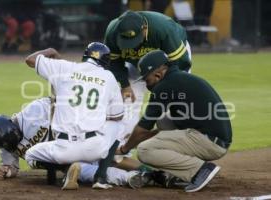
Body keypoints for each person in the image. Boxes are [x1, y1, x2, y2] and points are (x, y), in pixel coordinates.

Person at [116, 50, 232, 192]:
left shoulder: (163, 87)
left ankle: (200, 170)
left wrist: (124, 148)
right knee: (164, 122)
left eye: (147, 79)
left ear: (158, 75)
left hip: (209, 142)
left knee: (144, 150)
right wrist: (137, 138)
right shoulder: (178, 78)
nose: (147, 85)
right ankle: (180, 171)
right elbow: (152, 130)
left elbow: (143, 128)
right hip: (214, 138)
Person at [0, 97, 148, 189]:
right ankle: (131, 178)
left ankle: (151, 173)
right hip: (64, 161)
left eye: (11, 140)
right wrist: (6, 171)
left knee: (113, 157)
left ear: (11, 124)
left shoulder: (32, 112)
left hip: (74, 139)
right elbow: (12, 168)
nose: (11, 146)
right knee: (83, 171)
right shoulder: (5, 146)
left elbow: (59, 103)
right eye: (5, 145)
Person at [24, 42, 125, 189]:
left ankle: (66, 171)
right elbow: (117, 116)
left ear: (85, 56)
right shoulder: (108, 76)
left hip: (62, 149)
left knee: (30, 155)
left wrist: (51, 50)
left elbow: (30, 60)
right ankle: (100, 178)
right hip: (94, 149)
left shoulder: (64, 67)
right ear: (105, 61)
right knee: (116, 126)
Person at [104, 10, 192, 135]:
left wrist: (165, 86)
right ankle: (124, 149)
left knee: (175, 100)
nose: (132, 46)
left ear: (144, 28)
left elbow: (181, 63)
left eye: (135, 40)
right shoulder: (112, 32)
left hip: (170, 58)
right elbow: (114, 62)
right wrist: (124, 85)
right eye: (127, 42)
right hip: (137, 62)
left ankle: (179, 142)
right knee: (129, 102)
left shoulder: (163, 29)